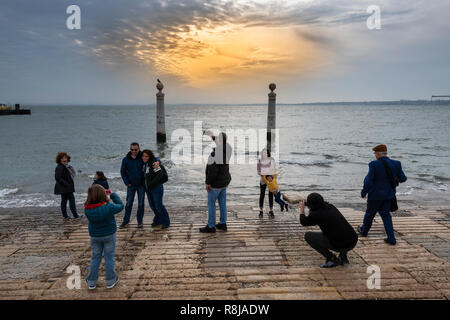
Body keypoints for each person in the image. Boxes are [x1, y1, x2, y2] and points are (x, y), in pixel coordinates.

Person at [358, 144, 407, 245]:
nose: (375, 155)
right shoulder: (397, 163)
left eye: (375, 153)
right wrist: (394, 179)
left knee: (369, 214)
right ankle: (391, 238)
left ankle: (364, 231)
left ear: (378, 154)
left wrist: (364, 192)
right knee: (386, 216)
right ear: (385, 153)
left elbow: (368, 181)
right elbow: (403, 178)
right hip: (389, 195)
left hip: (375, 195)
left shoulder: (374, 164)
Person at [300, 193, 358, 268]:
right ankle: (343, 256)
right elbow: (316, 210)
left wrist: (302, 209)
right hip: (353, 240)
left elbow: (304, 222)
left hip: (340, 245)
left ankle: (332, 258)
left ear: (311, 204)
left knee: (308, 236)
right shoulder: (330, 206)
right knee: (338, 229)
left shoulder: (316, 214)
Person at [84, 184, 124, 290]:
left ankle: (91, 282)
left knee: (95, 257)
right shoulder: (108, 207)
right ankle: (110, 280)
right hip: (109, 235)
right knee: (109, 257)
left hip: (95, 236)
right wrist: (113, 195)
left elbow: (96, 205)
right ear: (103, 195)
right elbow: (120, 206)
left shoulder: (87, 208)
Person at [119, 142, 160, 228]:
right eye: (132, 149)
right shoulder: (126, 159)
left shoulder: (142, 156)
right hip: (131, 185)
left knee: (141, 204)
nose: (133, 151)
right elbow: (122, 172)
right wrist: (127, 182)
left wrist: (158, 162)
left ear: (139, 149)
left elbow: (154, 158)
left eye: (135, 150)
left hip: (141, 185)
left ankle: (139, 221)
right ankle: (126, 221)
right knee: (129, 203)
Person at [200, 132, 232, 233]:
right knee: (222, 203)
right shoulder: (228, 149)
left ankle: (211, 226)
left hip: (216, 184)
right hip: (224, 182)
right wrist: (213, 136)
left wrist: (208, 183)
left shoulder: (215, 154)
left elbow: (213, 171)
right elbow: (222, 142)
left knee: (211, 204)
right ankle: (223, 223)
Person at [142, 149, 170, 229]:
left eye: (146, 156)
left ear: (150, 156)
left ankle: (165, 222)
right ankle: (157, 220)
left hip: (156, 188)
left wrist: (151, 184)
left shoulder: (153, 163)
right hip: (148, 189)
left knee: (159, 205)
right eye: (143, 156)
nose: (144, 158)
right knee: (152, 205)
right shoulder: (144, 164)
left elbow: (160, 174)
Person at [54, 152, 82, 220]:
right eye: (63, 158)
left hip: (65, 187)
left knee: (64, 200)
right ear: (59, 159)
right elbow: (57, 177)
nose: (64, 159)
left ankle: (65, 216)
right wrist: (66, 184)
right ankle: (75, 215)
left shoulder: (66, 166)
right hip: (65, 187)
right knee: (71, 200)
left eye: (65, 158)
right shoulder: (60, 167)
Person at [257, 148, 276, 218]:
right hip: (263, 180)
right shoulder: (260, 161)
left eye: (266, 153)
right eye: (264, 153)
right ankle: (261, 211)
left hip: (270, 180)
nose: (265, 154)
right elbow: (258, 171)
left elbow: (274, 169)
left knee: (271, 195)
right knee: (262, 195)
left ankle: (271, 210)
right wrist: (262, 174)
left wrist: (270, 176)